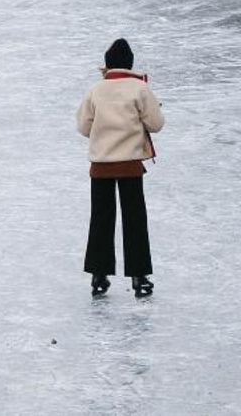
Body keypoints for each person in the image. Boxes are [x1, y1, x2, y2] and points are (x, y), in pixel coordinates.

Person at [78, 38, 165, 298]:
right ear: (130, 63)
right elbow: (156, 124)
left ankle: (99, 275)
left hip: (101, 166)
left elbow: (83, 127)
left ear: (107, 64)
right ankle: (139, 277)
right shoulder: (140, 89)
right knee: (134, 219)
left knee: (101, 219)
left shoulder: (95, 90)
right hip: (130, 165)